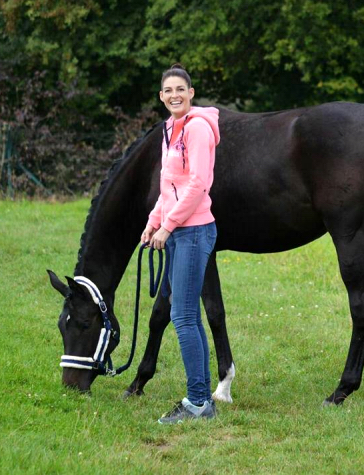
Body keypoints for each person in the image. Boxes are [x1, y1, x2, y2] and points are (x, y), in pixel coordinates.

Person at [141, 64, 220, 424]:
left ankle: (198, 403)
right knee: (189, 316)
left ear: (191, 92)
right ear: (162, 97)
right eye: (168, 90)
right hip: (177, 231)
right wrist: (153, 221)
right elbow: (169, 185)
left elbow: (198, 184)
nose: (174, 95)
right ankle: (202, 400)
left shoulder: (198, 129)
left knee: (183, 317)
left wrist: (168, 227)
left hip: (193, 231)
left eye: (180, 89)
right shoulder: (170, 129)